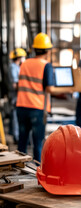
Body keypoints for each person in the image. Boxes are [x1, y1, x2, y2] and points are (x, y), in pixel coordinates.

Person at [16, 32, 55, 163]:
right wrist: (71, 89)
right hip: (37, 109)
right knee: (37, 144)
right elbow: (49, 88)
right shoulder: (46, 66)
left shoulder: (24, 63)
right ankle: (37, 172)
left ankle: (20, 169)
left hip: (21, 107)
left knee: (22, 142)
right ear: (48, 50)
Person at [8, 48, 27, 144]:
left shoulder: (17, 67)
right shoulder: (13, 67)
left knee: (17, 117)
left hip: (19, 96)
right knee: (15, 116)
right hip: (15, 97)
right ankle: (16, 137)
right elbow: (15, 85)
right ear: (19, 57)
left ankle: (16, 135)